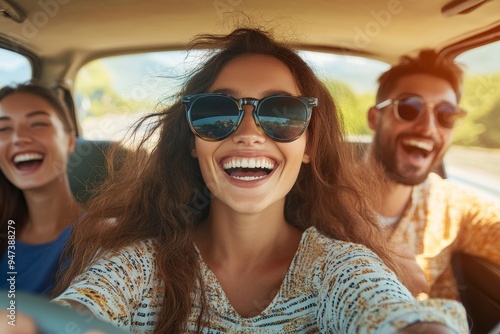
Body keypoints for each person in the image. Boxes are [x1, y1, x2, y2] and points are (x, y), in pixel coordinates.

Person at [31, 28, 468, 333]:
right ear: (190, 142)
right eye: (216, 113)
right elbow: (84, 306)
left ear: (310, 146)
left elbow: (386, 311)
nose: (248, 131)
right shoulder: (140, 264)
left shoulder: (338, 268)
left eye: (282, 113)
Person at [366, 49, 500, 300]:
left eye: (446, 115)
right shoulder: (320, 201)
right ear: (375, 118)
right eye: (408, 108)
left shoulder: (450, 204)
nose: (428, 127)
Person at [0, 83, 82, 295]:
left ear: (70, 141)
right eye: (3, 129)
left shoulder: (100, 238)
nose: (19, 138)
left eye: (37, 124)